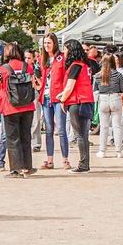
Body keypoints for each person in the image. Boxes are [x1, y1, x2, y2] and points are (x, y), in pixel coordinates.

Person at [0, 42, 38, 177]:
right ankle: (28, 166)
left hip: (10, 107)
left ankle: (15, 169)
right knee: (26, 136)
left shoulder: (2, 69)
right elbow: (33, 83)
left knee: (12, 138)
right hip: (28, 106)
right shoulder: (28, 67)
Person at [57, 39, 96, 172]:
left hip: (77, 102)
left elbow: (70, 87)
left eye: (66, 48)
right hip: (87, 101)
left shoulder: (75, 66)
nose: (64, 51)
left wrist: (63, 99)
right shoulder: (85, 65)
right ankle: (85, 163)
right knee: (84, 135)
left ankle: (83, 164)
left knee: (79, 135)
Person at [37, 34, 70, 169]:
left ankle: (65, 159)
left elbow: (66, 77)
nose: (46, 45)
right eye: (45, 43)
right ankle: (49, 160)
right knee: (48, 129)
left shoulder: (62, 58)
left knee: (61, 129)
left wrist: (64, 96)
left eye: (49, 43)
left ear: (55, 43)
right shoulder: (41, 59)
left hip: (58, 97)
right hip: (45, 97)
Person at [95, 53, 123, 158]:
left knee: (104, 127)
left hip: (103, 100)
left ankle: (102, 151)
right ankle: (118, 151)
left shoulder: (97, 75)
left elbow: (95, 90)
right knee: (117, 126)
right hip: (115, 99)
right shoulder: (118, 75)